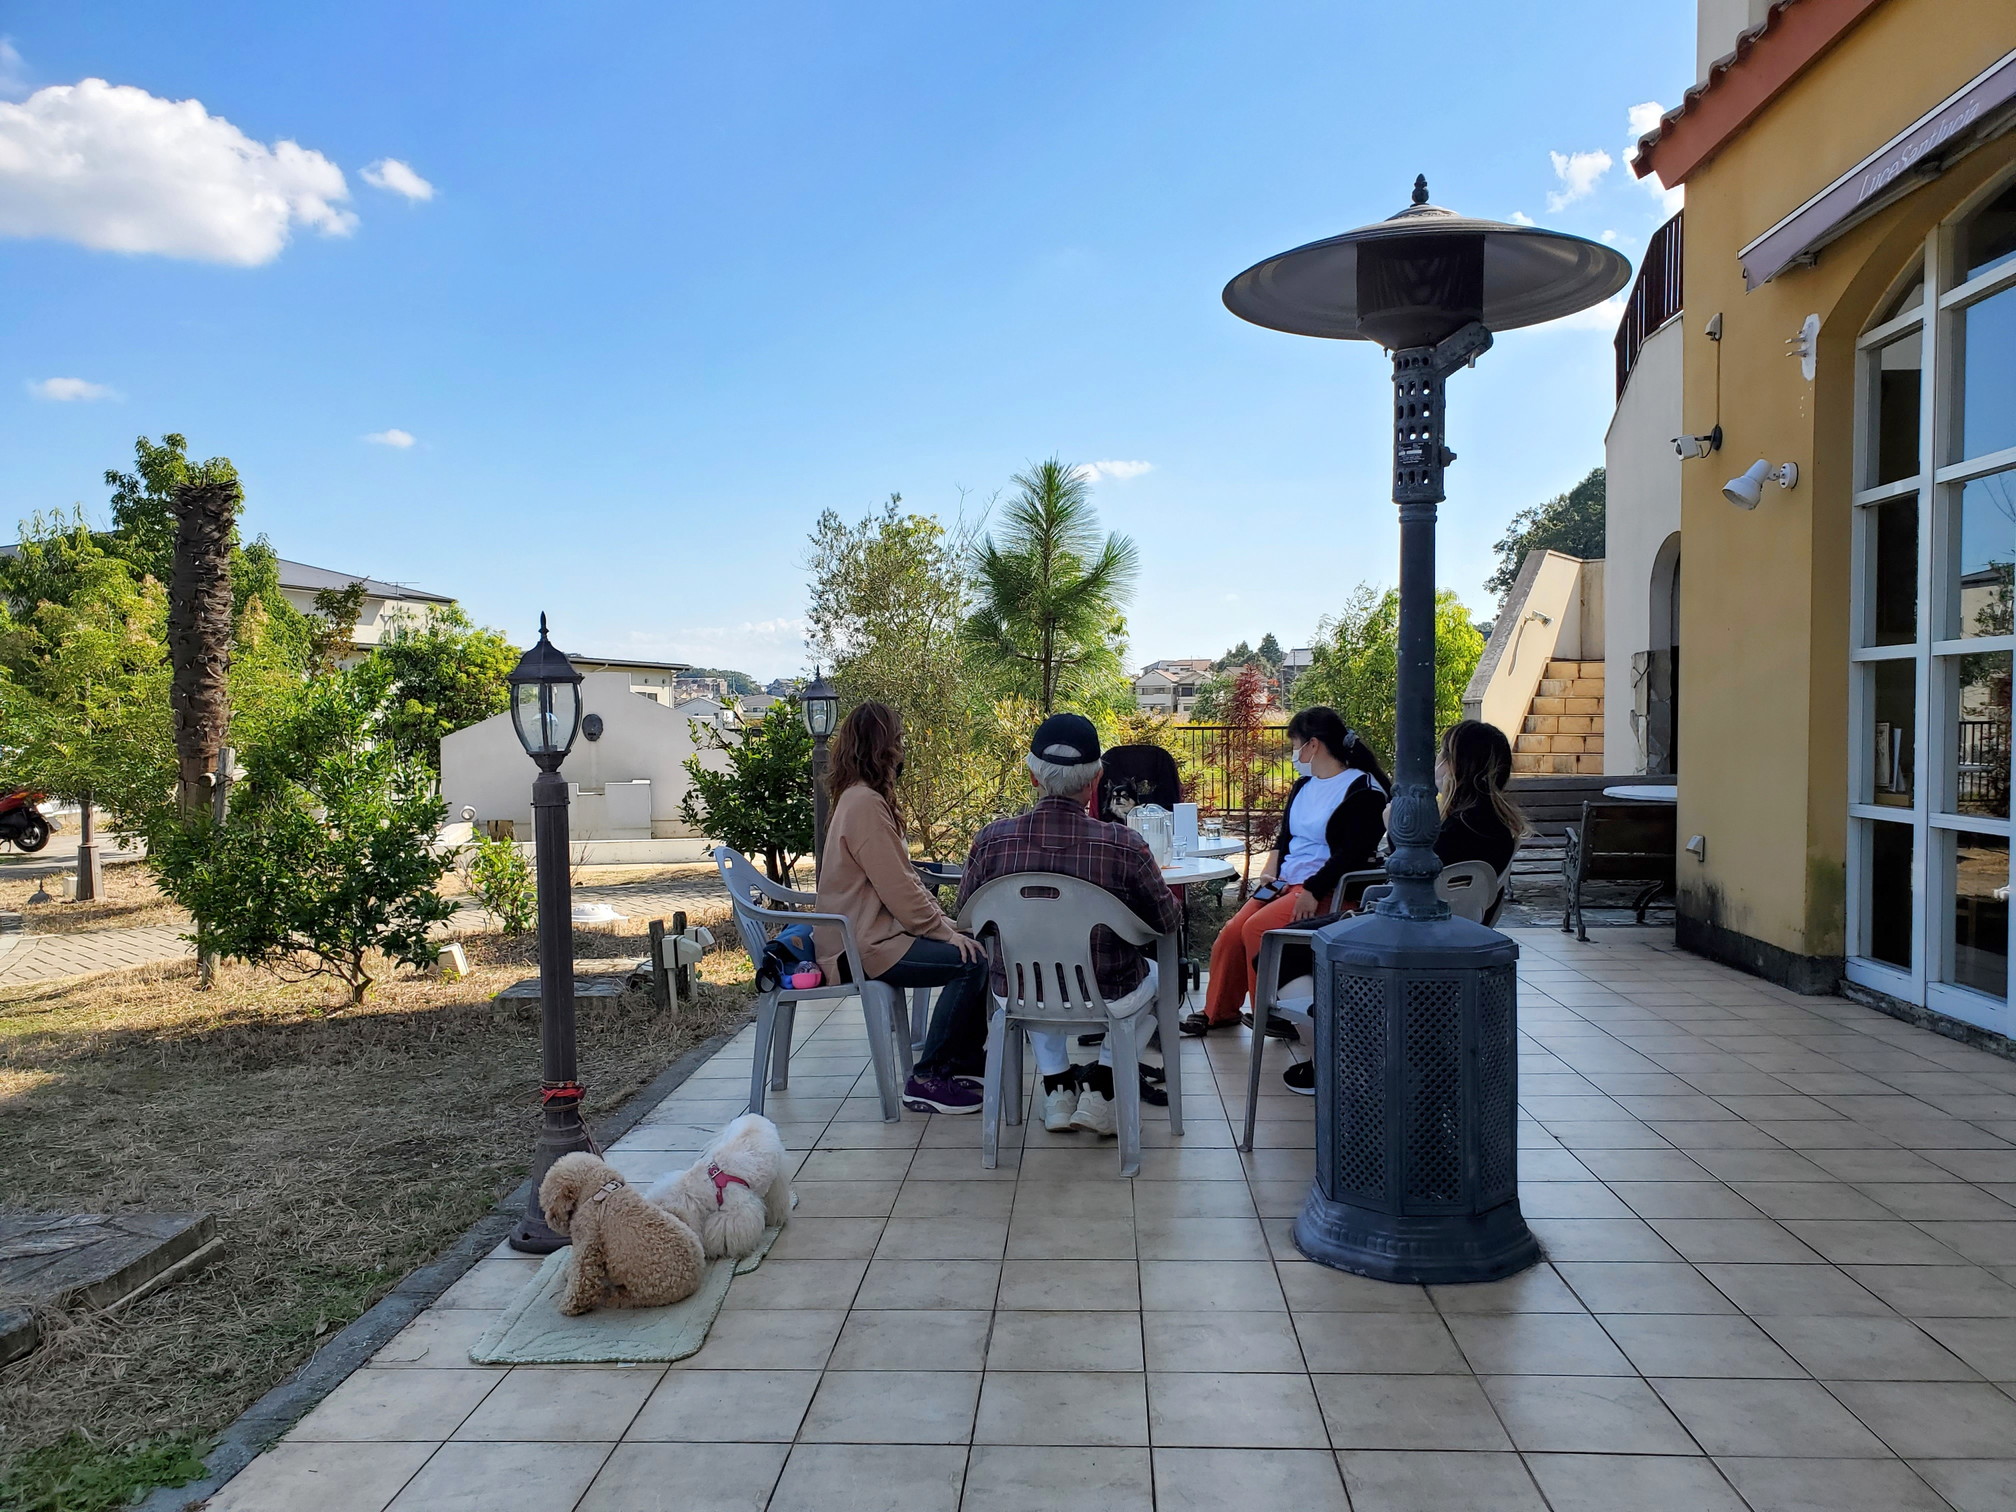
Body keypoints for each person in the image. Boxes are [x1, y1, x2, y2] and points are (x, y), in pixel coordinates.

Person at [956, 713, 1181, 1136]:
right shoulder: (1124, 844)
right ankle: (1103, 1087)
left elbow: (967, 916)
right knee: (1156, 979)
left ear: (1032, 776)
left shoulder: (991, 841)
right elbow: (1167, 920)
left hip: (1018, 994)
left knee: (1034, 968)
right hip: (1109, 995)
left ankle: (1058, 1089)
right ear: (1095, 781)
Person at [812, 701, 989, 1115]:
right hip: (864, 947)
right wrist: (941, 930)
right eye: (899, 740)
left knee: (974, 947)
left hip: (875, 937)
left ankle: (963, 1065)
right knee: (971, 962)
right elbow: (897, 887)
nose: (903, 748)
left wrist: (945, 924)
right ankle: (929, 1078)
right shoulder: (864, 805)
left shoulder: (859, 799)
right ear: (883, 748)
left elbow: (904, 877)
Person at [1183, 706, 1389, 1038]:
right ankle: (1218, 1012)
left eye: (1295, 744)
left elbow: (1352, 854)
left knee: (1257, 930)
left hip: (1324, 889)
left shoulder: (1363, 790)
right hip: (1285, 883)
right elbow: (1286, 837)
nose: (1294, 753)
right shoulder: (1304, 785)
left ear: (1313, 745)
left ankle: (1272, 1015)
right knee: (1232, 932)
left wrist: (1312, 889)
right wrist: (1270, 869)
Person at [1434, 718, 1524, 879]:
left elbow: (1419, 874)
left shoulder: (1462, 827)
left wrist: (1397, 834)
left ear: (1459, 767)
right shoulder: (1492, 820)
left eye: (1444, 753)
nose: (1438, 759)